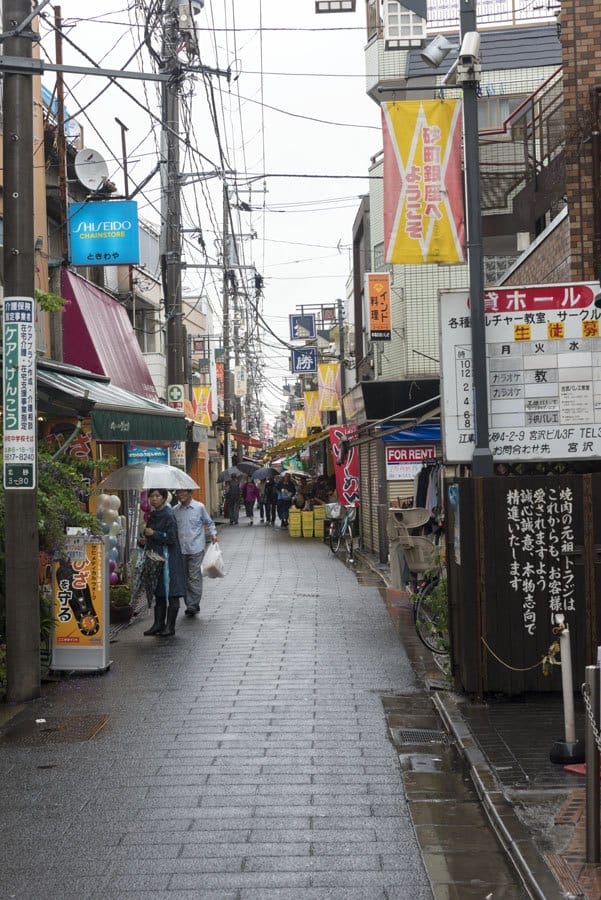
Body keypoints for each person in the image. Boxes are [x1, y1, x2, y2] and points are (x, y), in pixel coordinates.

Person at [141, 488, 186, 637]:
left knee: (172, 592)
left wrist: (154, 533)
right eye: (151, 496)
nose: (154, 499)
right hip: (156, 558)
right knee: (159, 591)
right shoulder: (153, 514)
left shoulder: (169, 515)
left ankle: (170, 626)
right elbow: (150, 533)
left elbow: (171, 538)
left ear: (164, 498)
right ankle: (158, 624)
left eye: (157, 496)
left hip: (169, 559)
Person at [172, 489, 218, 617]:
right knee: (185, 577)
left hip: (196, 547)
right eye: (178, 493)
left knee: (194, 577)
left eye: (183, 492)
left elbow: (209, 522)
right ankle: (192, 603)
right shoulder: (175, 510)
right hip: (180, 549)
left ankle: (192, 605)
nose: (180, 495)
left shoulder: (199, 507)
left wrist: (213, 534)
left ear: (190, 493)